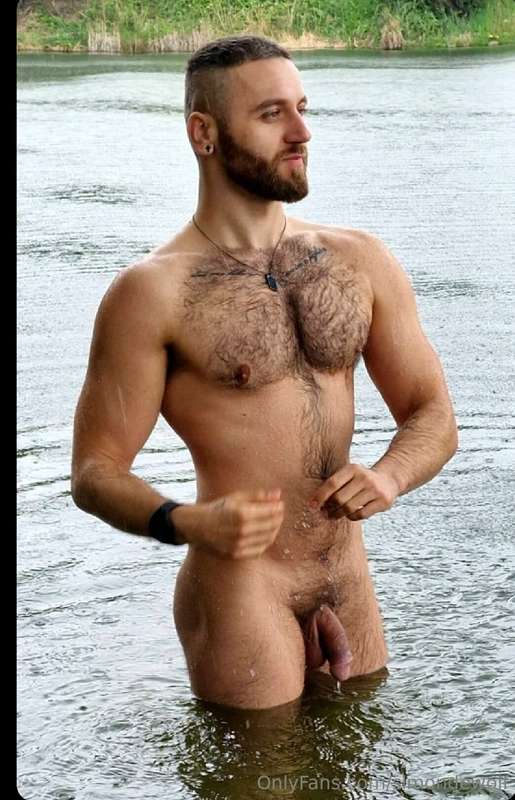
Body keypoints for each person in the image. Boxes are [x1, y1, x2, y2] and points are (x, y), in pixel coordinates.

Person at [71, 35, 458, 710]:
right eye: (272, 114)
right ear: (204, 133)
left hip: (347, 574)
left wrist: (389, 476)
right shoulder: (152, 293)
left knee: (366, 756)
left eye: (302, 108)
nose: (301, 132)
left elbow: (433, 414)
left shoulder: (359, 260)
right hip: (242, 589)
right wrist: (186, 520)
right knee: (260, 766)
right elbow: (95, 471)